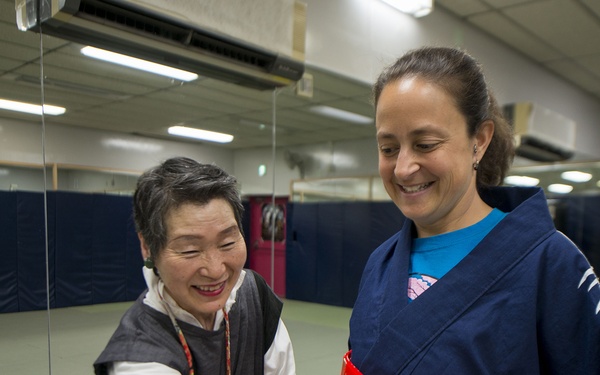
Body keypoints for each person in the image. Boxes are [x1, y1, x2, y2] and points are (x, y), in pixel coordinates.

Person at [344, 47, 600, 374]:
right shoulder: (381, 263)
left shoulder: (552, 264)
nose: (402, 169)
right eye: (389, 148)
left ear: (479, 139)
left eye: (425, 144)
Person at [94, 157, 295, 375]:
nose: (216, 270)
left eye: (227, 243)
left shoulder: (252, 294)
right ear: (148, 247)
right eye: (190, 250)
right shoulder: (139, 359)